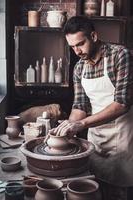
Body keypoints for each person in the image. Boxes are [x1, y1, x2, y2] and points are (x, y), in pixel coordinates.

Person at [50, 16, 133, 199]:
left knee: (118, 193)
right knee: (95, 191)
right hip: (95, 139)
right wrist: (66, 128)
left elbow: (122, 103)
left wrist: (81, 125)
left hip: (123, 138)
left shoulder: (120, 55)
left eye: (80, 44)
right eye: (72, 47)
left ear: (94, 36)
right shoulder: (79, 68)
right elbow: (80, 105)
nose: (77, 51)